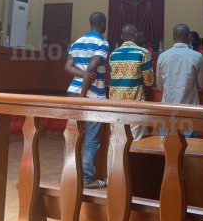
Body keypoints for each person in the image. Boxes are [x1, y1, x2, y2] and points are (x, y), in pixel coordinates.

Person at [64, 11, 110, 189]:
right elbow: (91, 70)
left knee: (72, 134)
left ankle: (68, 174)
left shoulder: (77, 42)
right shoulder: (102, 43)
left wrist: (83, 76)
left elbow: (68, 67)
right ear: (102, 23)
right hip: (92, 96)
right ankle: (86, 179)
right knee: (92, 138)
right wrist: (83, 97)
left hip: (72, 92)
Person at [107, 24, 153, 173]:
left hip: (114, 105)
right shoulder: (143, 53)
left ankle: (111, 179)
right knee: (133, 143)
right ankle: (129, 180)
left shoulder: (113, 54)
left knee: (114, 142)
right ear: (136, 35)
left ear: (122, 37)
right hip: (135, 105)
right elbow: (149, 82)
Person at [156, 24, 203, 137]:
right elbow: (202, 84)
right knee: (189, 145)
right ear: (189, 37)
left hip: (168, 111)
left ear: (173, 37)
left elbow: (159, 85)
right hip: (189, 112)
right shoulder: (197, 56)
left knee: (166, 143)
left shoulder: (162, 56)